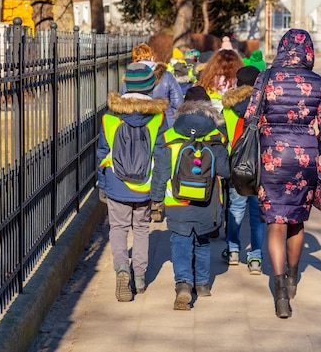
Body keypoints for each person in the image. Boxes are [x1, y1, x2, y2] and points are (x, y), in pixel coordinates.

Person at [244, 29, 321, 318]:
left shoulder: (267, 77)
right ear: (308, 51)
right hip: (303, 158)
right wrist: (312, 147)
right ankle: (294, 279)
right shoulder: (318, 82)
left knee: (276, 223)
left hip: (271, 157)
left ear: (282, 48)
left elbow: (249, 117)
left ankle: (280, 291)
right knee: (295, 221)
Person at [150, 86, 230, 310]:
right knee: (202, 242)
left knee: (180, 242)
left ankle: (183, 284)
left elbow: (161, 171)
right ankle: (203, 284)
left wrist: (155, 197)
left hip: (177, 202)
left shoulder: (171, 134)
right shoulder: (217, 135)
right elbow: (225, 171)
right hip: (208, 202)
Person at [97, 62, 170, 302]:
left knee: (118, 228)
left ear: (126, 84)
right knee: (141, 228)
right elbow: (162, 155)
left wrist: (102, 184)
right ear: (151, 88)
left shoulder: (110, 115)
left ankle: (121, 269)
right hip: (145, 183)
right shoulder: (157, 117)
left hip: (116, 180)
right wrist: (159, 190)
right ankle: (139, 277)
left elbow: (102, 151)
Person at [221, 65, 266, 275]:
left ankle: (232, 250)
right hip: (260, 166)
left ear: (237, 83)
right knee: (257, 214)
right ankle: (256, 257)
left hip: (236, 166)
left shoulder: (229, 108)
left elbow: (222, 139)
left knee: (236, 209)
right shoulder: (265, 105)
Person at [126, 43, 184, 128]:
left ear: (134, 60)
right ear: (152, 57)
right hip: (164, 123)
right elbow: (178, 103)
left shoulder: (129, 77)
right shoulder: (166, 76)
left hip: (137, 127)